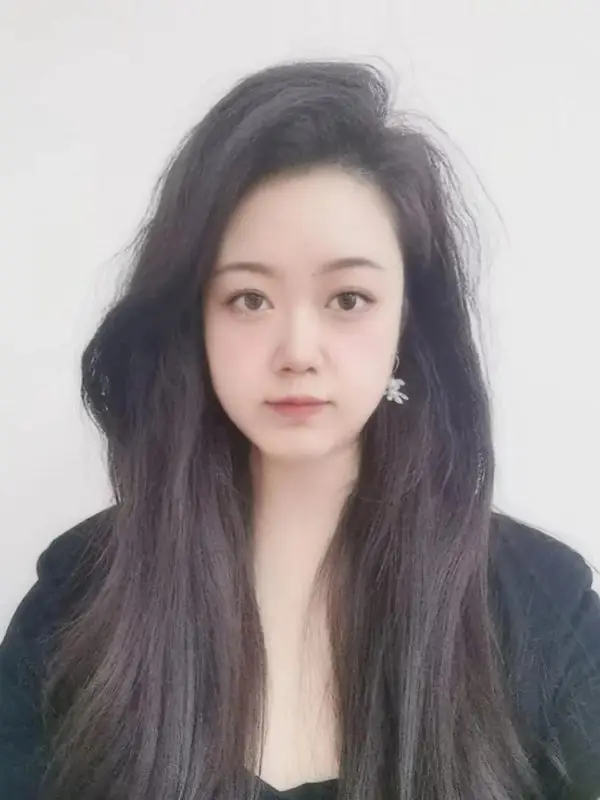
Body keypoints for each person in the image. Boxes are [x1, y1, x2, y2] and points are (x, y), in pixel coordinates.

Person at [0, 59, 598, 800]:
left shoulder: (542, 607)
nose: (297, 352)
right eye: (249, 299)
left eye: (348, 299)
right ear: (195, 321)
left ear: (407, 322)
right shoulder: (79, 593)